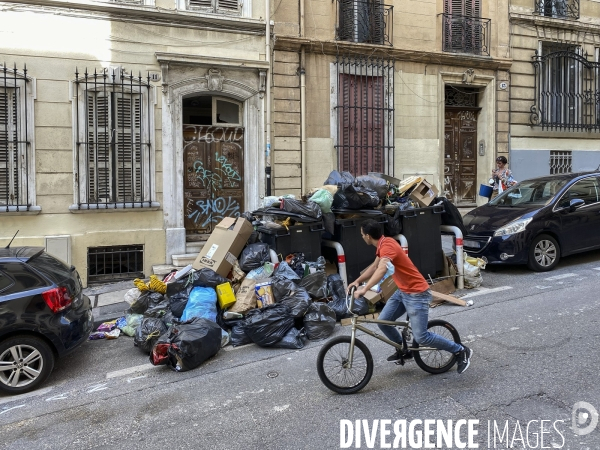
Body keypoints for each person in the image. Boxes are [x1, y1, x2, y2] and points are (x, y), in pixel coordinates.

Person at [348, 219, 472, 374]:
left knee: (422, 338)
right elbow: (374, 267)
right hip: (402, 292)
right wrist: (356, 281)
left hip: (417, 294)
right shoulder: (383, 244)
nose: (362, 237)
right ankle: (405, 349)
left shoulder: (387, 246)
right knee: (384, 322)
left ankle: (460, 350)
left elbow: (381, 269)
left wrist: (364, 289)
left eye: (362, 234)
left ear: (367, 236)